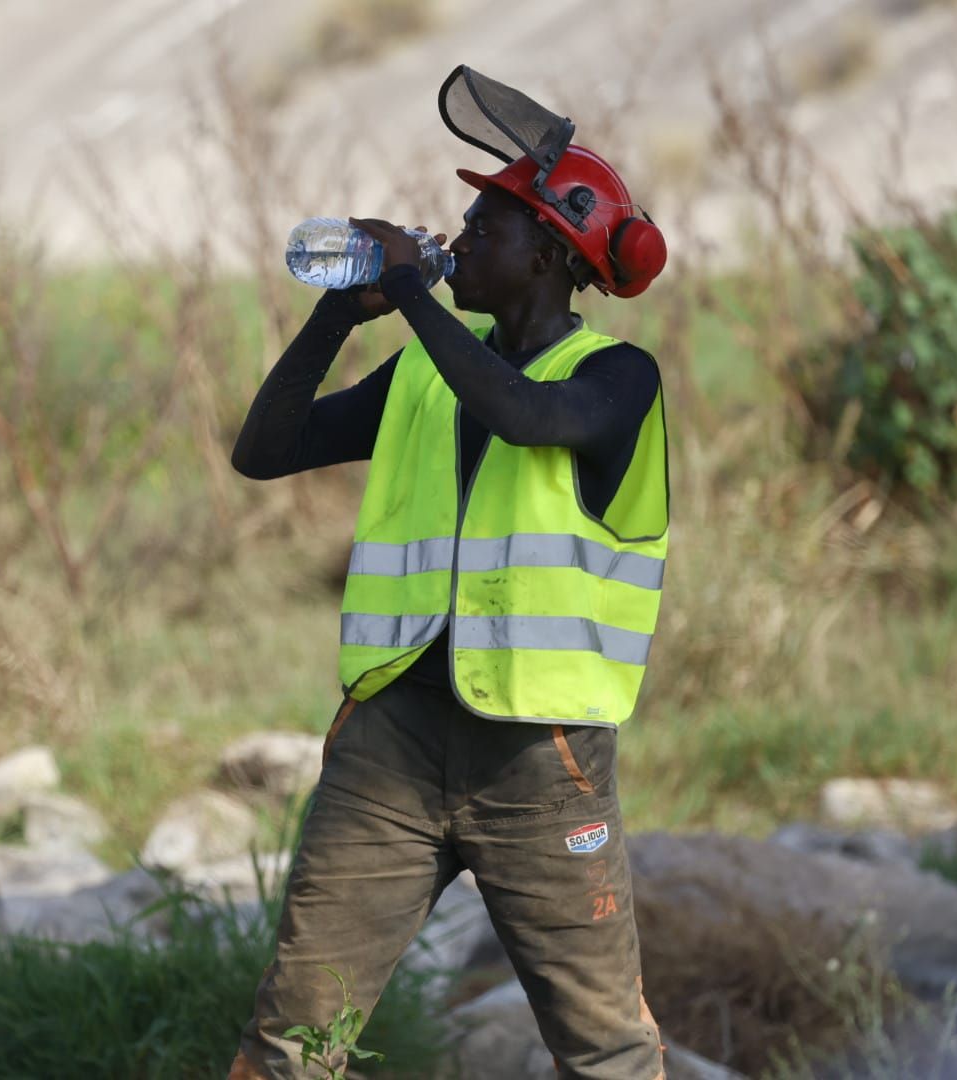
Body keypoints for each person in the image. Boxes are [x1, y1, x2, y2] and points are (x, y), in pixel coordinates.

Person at [226, 144, 671, 1080]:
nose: (457, 238)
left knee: (607, 1055)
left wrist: (415, 296)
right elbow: (264, 450)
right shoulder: (422, 376)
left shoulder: (618, 376)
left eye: (484, 225)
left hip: (540, 759)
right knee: (293, 1044)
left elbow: (527, 416)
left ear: (548, 255)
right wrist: (341, 311)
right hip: (391, 746)